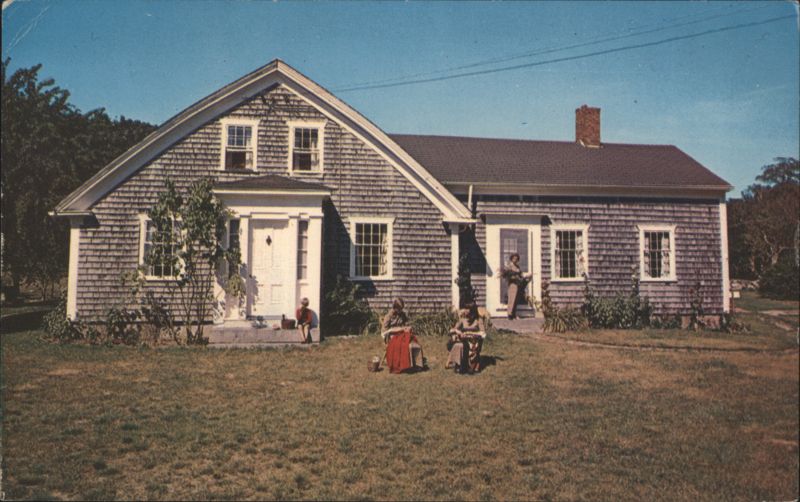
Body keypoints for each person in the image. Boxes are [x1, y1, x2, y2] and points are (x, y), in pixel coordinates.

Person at [381, 298, 425, 373]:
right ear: (395, 308)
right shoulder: (388, 316)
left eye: (401, 309)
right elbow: (384, 332)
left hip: (401, 334)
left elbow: (405, 324)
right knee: (403, 345)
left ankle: (417, 364)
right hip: (391, 336)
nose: (401, 311)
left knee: (412, 341)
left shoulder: (402, 314)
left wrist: (407, 327)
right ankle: (403, 365)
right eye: (400, 309)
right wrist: (396, 329)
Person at [446, 303, 486, 373]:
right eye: (465, 309)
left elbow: (483, 333)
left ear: (473, 311)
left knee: (465, 346)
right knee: (458, 345)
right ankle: (459, 365)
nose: (466, 311)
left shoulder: (478, 320)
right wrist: (457, 331)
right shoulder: (463, 319)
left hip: (474, 340)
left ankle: (464, 366)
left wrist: (470, 334)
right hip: (463, 340)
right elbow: (452, 329)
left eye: (468, 310)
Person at [504, 253, 532, 320]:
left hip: (518, 284)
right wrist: (513, 277)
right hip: (512, 284)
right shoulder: (509, 266)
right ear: (511, 258)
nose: (515, 260)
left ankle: (513, 314)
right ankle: (509, 314)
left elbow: (521, 274)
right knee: (511, 299)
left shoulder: (517, 267)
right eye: (514, 258)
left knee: (515, 300)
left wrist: (526, 276)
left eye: (516, 259)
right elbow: (507, 275)